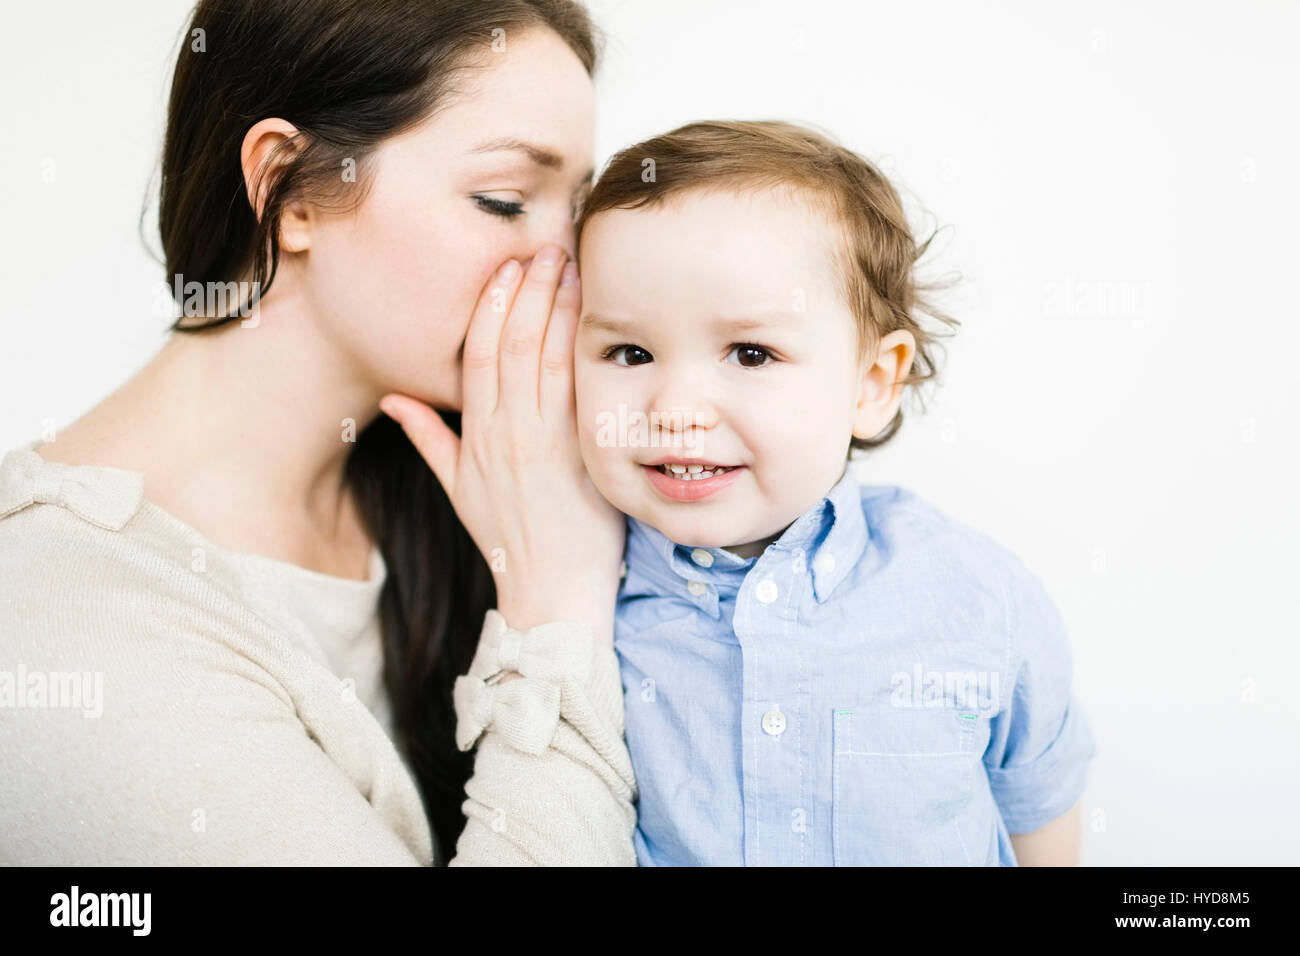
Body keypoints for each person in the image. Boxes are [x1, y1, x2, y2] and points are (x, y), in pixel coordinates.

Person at [0, 0, 635, 866]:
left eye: (580, 204)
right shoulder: (62, 618)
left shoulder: (476, 481)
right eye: (505, 199)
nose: (567, 263)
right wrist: (558, 607)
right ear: (288, 188)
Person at [571, 120, 1098, 865]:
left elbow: (1040, 817)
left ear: (872, 383)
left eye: (751, 353)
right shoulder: (577, 609)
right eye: (629, 352)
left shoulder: (976, 599)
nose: (674, 407)